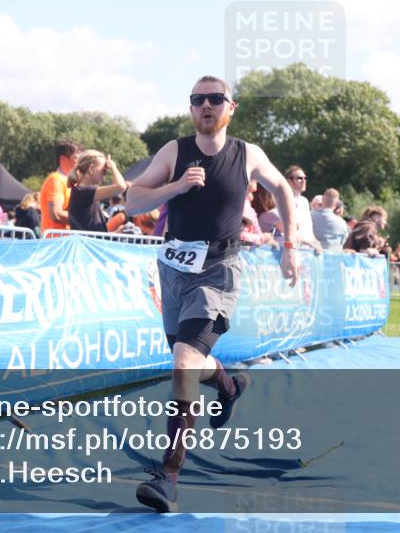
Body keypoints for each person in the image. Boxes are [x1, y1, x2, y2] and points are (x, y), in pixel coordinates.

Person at [125, 76, 298, 513]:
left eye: (215, 99)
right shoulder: (174, 151)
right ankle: (228, 383)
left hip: (219, 269)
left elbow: (282, 189)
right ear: (191, 109)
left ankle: (168, 476)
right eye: (198, 99)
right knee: (192, 364)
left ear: (230, 107)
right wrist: (176, 187)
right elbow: (132, 202)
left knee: (182, 362)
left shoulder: (246, 154)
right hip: (174, 271)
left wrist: (289, 246)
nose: (206, 105)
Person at [67, 150, 128, 233]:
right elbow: (121, 186)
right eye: (103, 171)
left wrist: (115, 233)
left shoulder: (83, 192)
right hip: (87, 245)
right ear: (91, 169)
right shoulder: (82, 192)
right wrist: (113, 167)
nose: (104, 177)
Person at [40, 140, 82, 235]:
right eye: (76, 157)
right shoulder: (55, 179)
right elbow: (56, 214)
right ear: (63, 159)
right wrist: (84, 220)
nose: (79, 162)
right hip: (56, 242)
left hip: (68, 241)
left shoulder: (73, 182)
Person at [311, 188, 349, 253]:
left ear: (322, 200)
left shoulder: (308, 216)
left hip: (311, 258)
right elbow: (343, 242)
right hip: (333, 259)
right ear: (337, 204)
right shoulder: (342, 223)